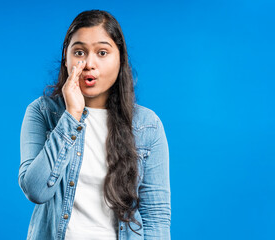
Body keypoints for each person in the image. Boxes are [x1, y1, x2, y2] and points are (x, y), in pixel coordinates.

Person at [18, 10, 171, 240]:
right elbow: (36, 190)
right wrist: (72, 116)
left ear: (120, 59)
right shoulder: (42, 112)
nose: (89, 63)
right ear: (66, 58)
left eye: (102, 52)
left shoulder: (147, 125)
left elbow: (156, 217)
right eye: (79, 52)